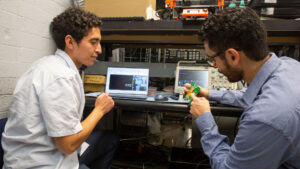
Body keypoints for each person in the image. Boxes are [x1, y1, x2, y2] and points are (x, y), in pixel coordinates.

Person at [1, 8, 119, 169]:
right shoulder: (61, 77)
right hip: (42, 164)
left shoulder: (46, 65)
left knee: (108, 138)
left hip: (32, 154)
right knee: (106, 139)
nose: (99, 49)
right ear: (70, 42)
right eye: (93, 42)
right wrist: (99, 109)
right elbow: (68, 145)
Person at [184, 7, 300, 169]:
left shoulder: (264, 119)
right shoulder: (289, 66)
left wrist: (205, 119)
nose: (214, 66)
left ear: (233, 56)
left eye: (212, 59)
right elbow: (250, 95)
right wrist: (209, 93)